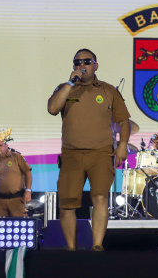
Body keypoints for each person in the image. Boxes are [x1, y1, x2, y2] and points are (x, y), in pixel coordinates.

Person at [47, 48, 133, 251]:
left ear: (96, 65)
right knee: (67, 204)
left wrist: (122, 145)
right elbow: (52, 109)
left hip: (101, 153)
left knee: (100, 197)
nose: (82, 66)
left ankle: (97, 245)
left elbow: (124, 121)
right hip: (71, 154)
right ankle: (72, 249)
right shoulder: (64, 88)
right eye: (77, 62)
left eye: (87, 61)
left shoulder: (108, 90)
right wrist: (69, 84)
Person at [0, 140, 32, 217]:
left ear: (7, 146)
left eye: (0, 145)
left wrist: (28, 190)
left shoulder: (16, 157)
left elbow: (27, 173)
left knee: (19, 226)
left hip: (17, 199)